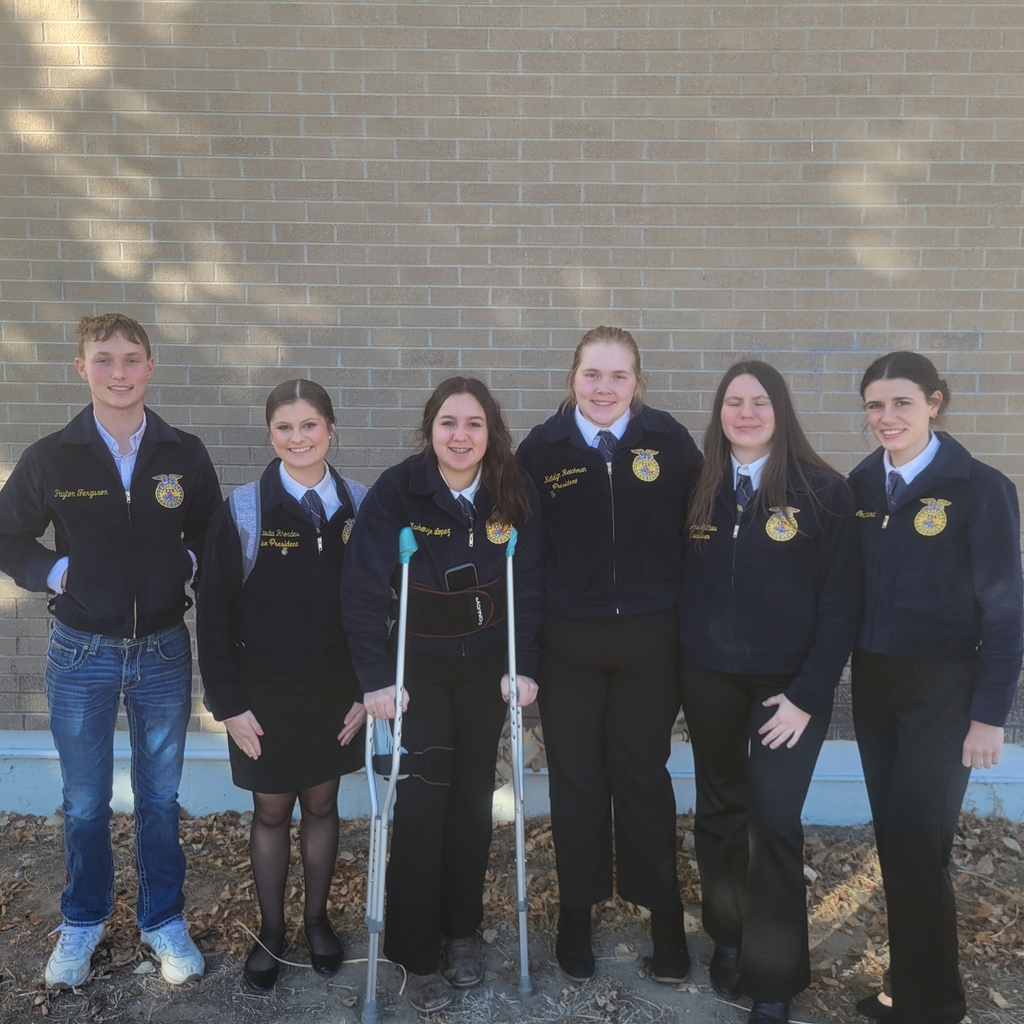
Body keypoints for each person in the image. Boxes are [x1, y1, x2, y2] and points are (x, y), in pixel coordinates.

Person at [0, 314, 223, 989]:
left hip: (162, 650)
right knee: (85, 800)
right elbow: (8, 536)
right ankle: (84, 919)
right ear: (82, 368)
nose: (118, 373)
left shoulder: (183, 453)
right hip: (81, 653)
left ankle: (163, 919)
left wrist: (186, 563)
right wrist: (55, 572)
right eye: (104, 359)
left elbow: (212, 534)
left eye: (131, 359)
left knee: (159, 797)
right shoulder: (52, 457)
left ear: (150, 367)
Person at [341, 376, 543, 1013]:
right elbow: (363, 587)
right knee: (424, 808)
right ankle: (414, 949)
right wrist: (375, 679)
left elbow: (530, 585)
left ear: (491, 431)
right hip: (417, 675)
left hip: (485, 671)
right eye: (448, 423)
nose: (461, 436)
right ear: (430, 429)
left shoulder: (510, 488)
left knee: (471, 804)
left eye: (474, 424)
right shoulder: (399, 490)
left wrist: (523, 666)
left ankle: (462, 931)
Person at [515, 326, 702, 984]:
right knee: (577, 780)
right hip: (570, 645)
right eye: (592, 374)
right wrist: (525, 654)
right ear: (573, 378)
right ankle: (576, 913)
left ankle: (665, 919)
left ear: (637, 383)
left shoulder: (669, 442)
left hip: (651, 643)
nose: (604, 388)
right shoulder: (541, 449)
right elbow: (526, 559)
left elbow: (698, 535)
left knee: (643, 777)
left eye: (618, 376)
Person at [678, 362, 860, 1024]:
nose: (746, 413)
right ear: (719, 413)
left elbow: (842, 605)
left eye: (760, 401)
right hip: (709, 677)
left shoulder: (823, 492)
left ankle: (775, 977)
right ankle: (728, 937)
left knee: (773, 821)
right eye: (734, 402)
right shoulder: (698, 486)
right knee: (719, 811)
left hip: (788, 688)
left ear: (781, 411)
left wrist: (808, 694)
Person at [849, 352, 1022, 1024]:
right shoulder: (862, 485)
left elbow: (1005, 609)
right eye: (875, 404)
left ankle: (936, 1007)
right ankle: (908, 988)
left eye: (902, 402)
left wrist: (989, 714)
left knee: (920, 840)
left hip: (945, 689)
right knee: (897, 841)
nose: (887, 417)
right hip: (874, 684)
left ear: (934, 402)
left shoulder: (981, 488)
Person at [196, 379, 367, 990]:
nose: (298, 438)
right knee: (271, 812)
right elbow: (212, 615)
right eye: (284, 428)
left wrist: (367, 689)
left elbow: (381, 607)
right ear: (270, 435)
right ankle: (272, 930)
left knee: (322, 803)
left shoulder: (361, 505)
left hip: (335, 691)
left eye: (310, 425)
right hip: (262, 694)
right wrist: (228, 704)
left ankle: (317, 921)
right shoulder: (243, 511)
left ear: (331, 429)